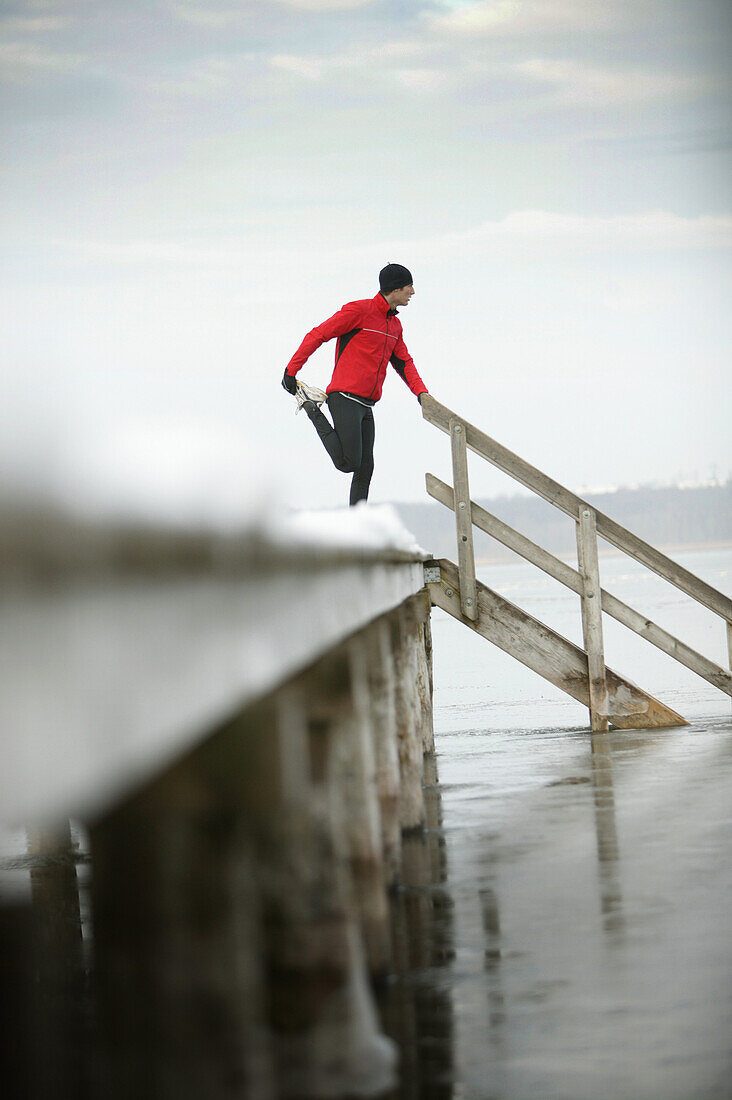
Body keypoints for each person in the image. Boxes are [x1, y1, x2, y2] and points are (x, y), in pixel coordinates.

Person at [282, 263, 429, 506]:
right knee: (348, 463)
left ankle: (358, 529)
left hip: (366, 404)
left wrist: (422, 394)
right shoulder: (359, 311)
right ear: (395, 289)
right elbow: (318, 334)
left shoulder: (395, 325)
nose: (412, 292)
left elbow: (404, 363)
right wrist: (291, 370)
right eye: (409, 286)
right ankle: (310, 406)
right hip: (345, 397)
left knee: (366, 469)